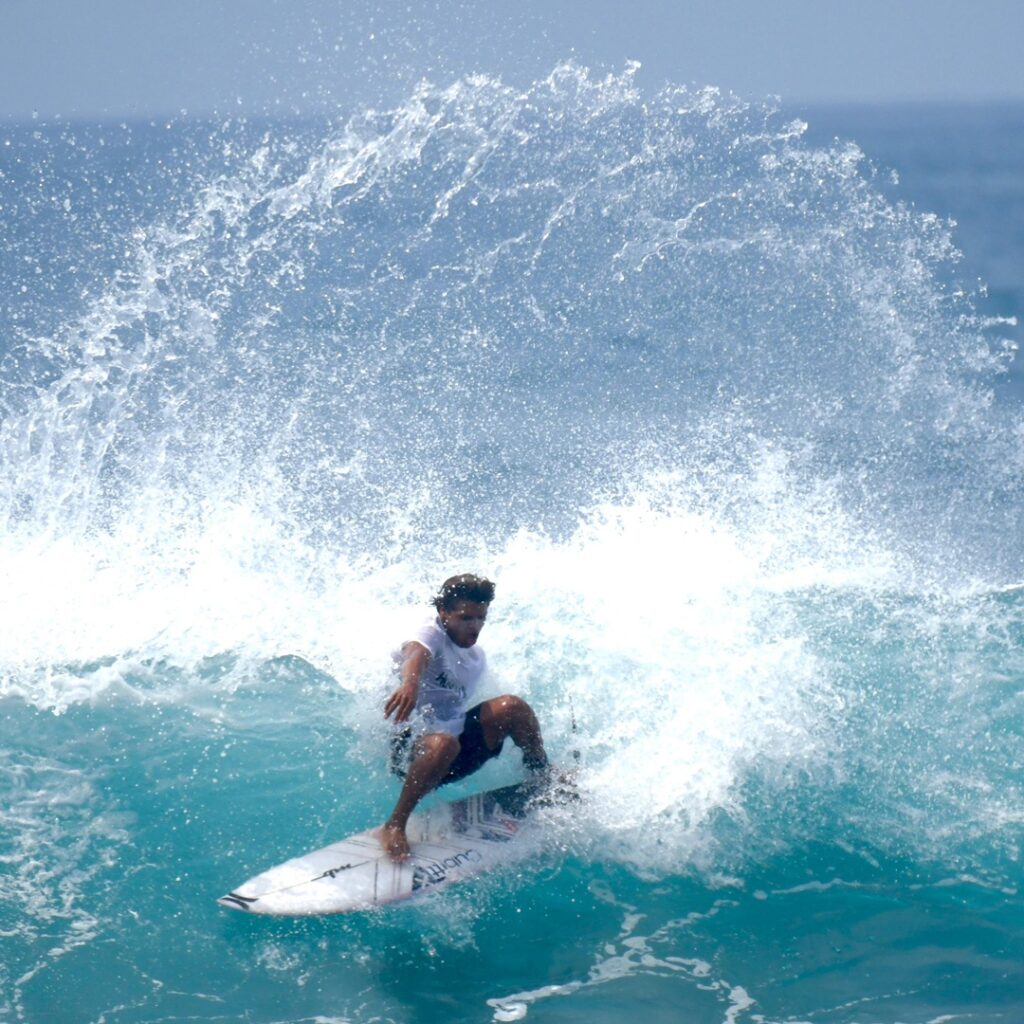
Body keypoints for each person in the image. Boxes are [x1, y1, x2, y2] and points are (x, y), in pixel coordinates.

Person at [380, 573, 551, 860]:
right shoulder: (428, 632)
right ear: (443, 613)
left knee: (512, 706)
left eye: (480, 618)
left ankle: (542, 778)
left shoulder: (475, 658)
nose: (475, 627)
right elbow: (416, 653)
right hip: (412, 755)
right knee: (443, 744)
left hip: (454, 753)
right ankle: (395, 824)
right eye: (465, 618)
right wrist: (409, 683)